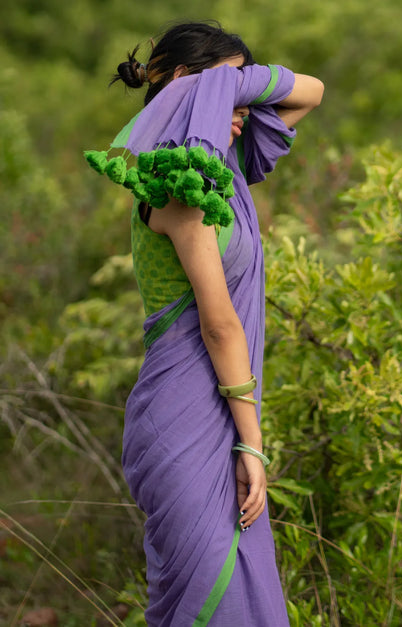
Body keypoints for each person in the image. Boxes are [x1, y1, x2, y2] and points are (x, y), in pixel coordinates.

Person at [88, 20, 324, 626]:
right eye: (230, 90)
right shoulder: (180, 188)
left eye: (246, 91)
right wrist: (251, 443)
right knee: (207, 600)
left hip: (222, 408)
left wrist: (226, 83)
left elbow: (311, 91)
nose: (245, 106)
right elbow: (219, 327)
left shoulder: (225, 168)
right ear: (188, 90)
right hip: (188, 420)